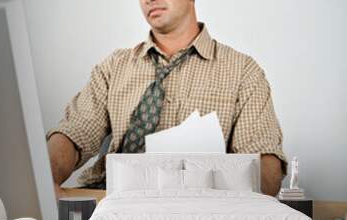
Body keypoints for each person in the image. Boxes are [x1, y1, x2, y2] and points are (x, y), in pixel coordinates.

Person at [47, 0, 287, 199]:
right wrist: (45, 180)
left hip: (199, 210)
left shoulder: (242, 71)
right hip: (110, 202)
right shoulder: (114, 67)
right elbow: (75, 131)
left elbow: (263, 165)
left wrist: (226, 204)